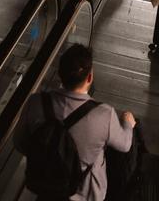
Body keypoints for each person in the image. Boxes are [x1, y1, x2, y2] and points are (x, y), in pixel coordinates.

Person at [13, 44, 136, 201]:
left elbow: (20, 143)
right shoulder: (104, 114)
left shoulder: (36, 102)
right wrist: (128, 123)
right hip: (86, 194)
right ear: (90, 77)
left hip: (45, 187)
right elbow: (125, 145)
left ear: (59, 74)